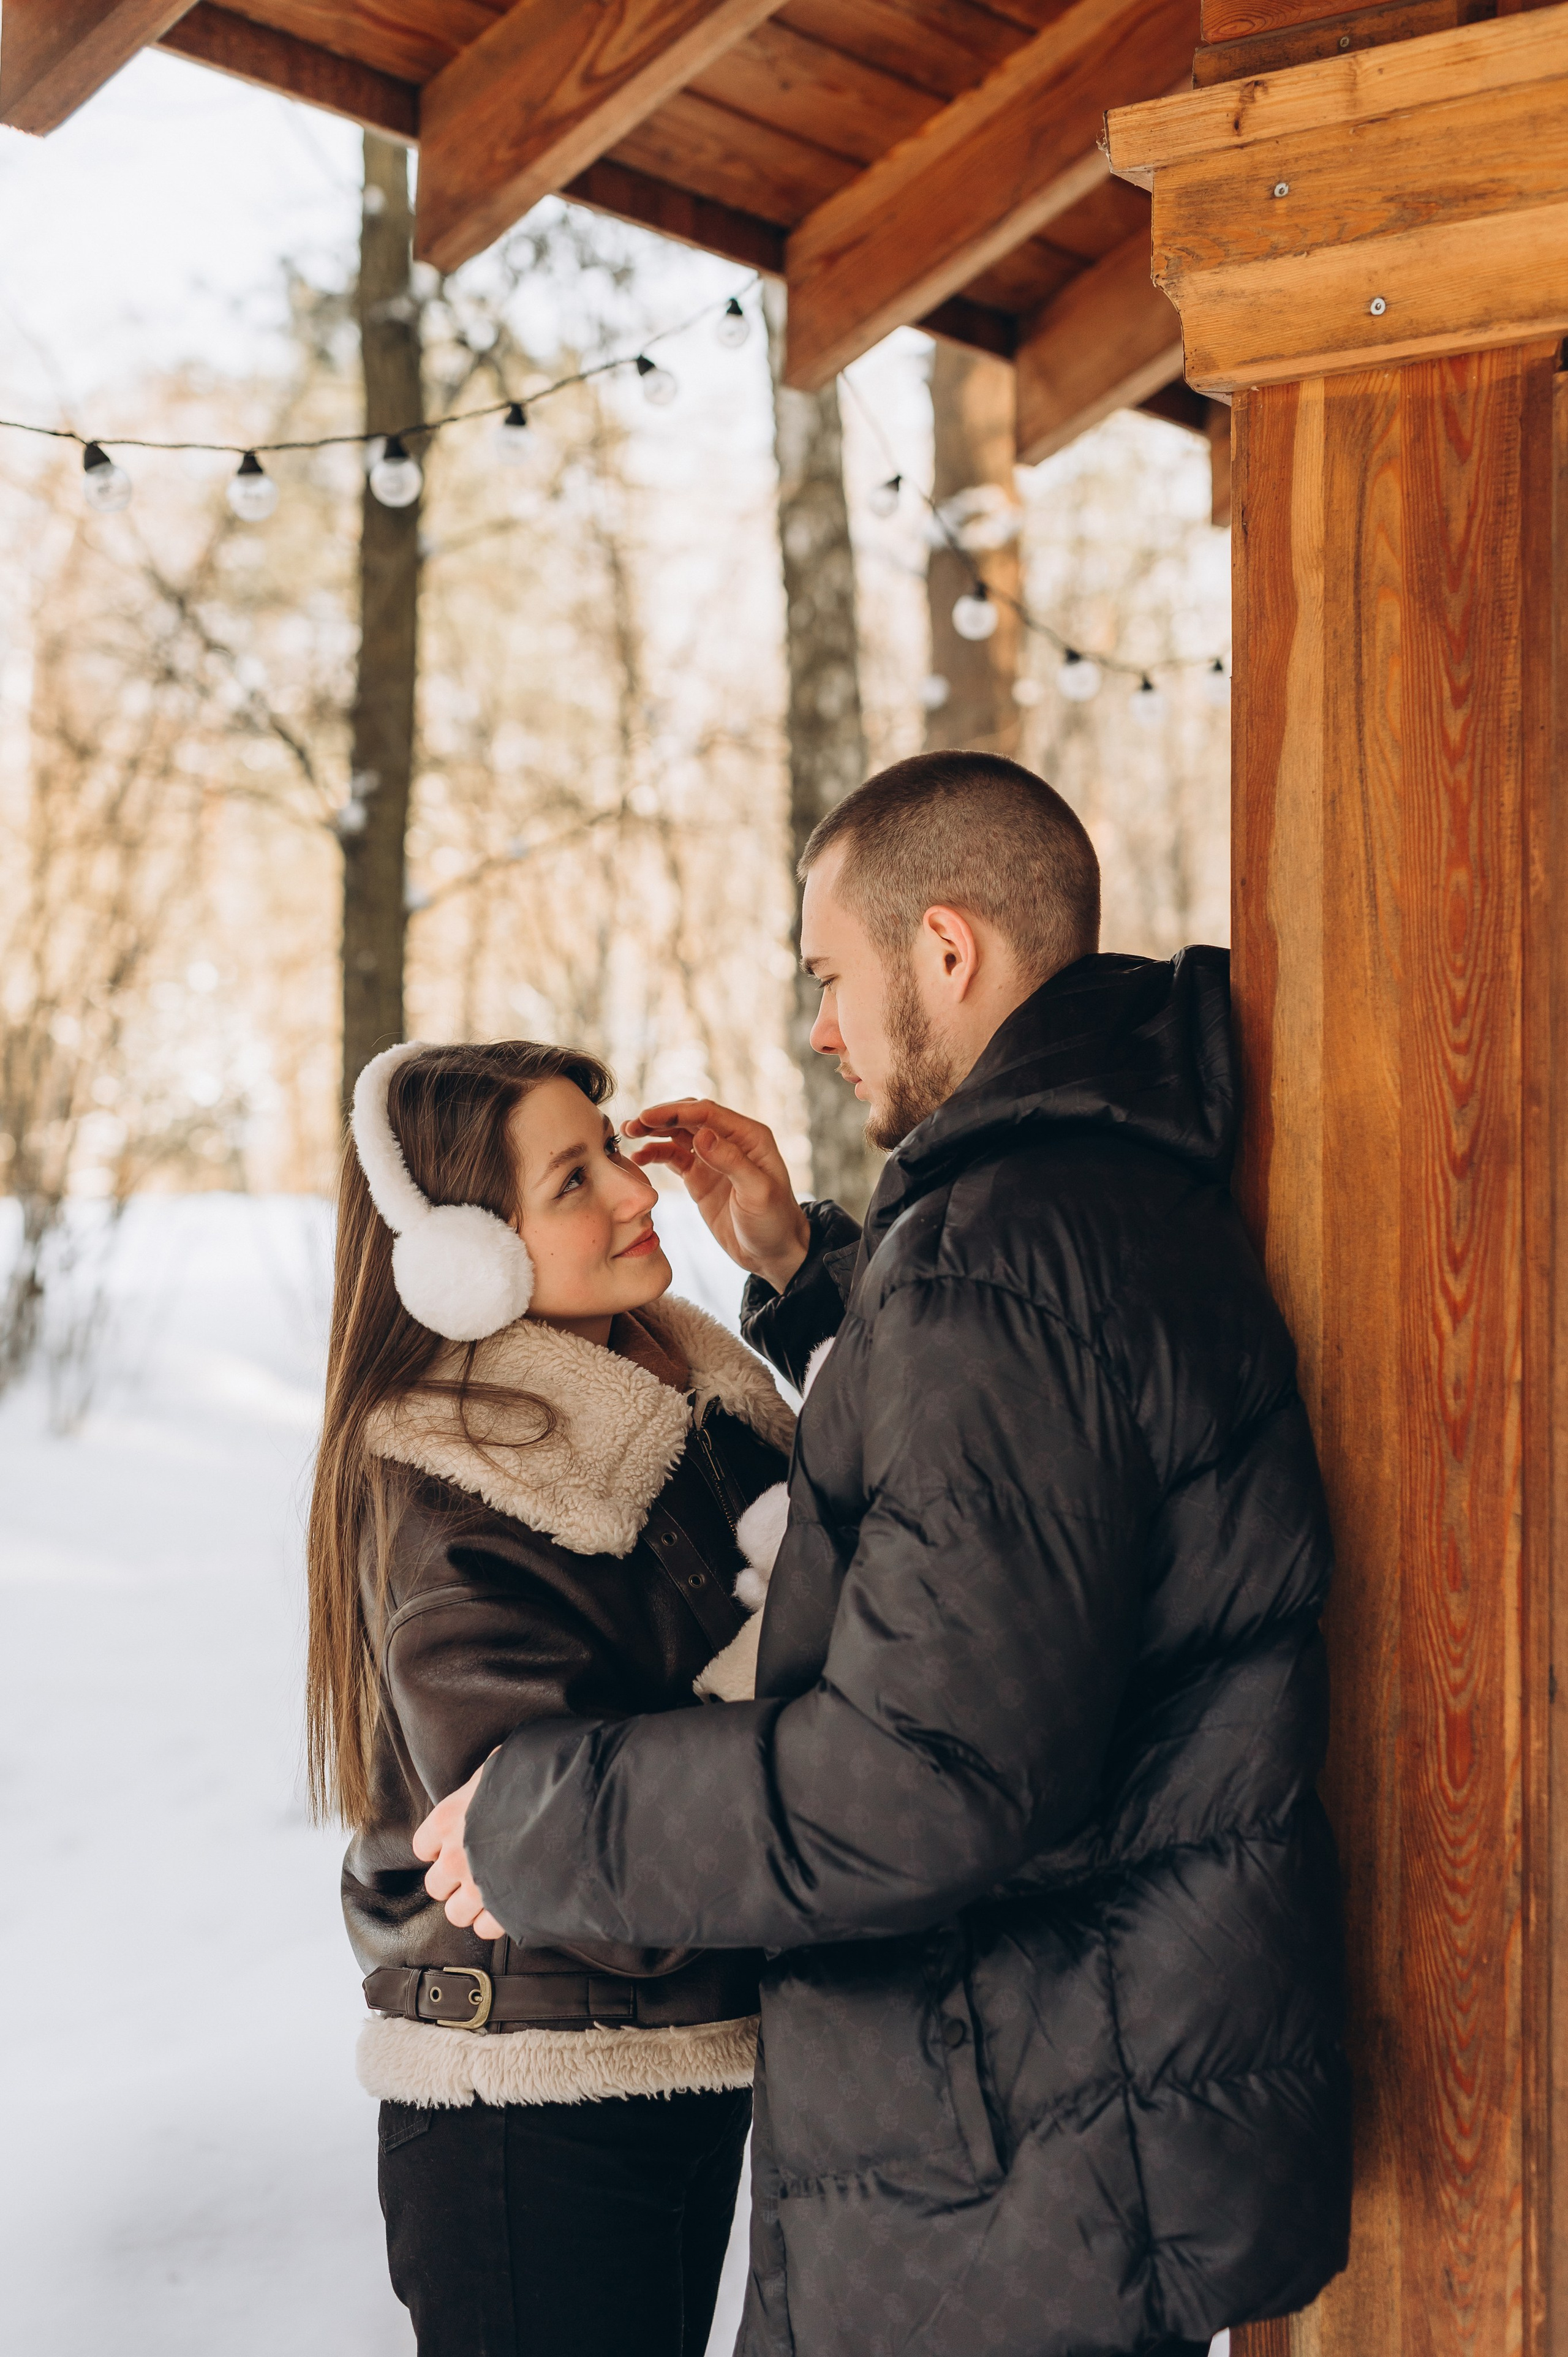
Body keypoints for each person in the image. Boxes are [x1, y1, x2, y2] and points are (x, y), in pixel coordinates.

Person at [415, 753, 1354, 2357]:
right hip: (1071, 2102)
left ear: (946, 950)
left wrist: (549, 1818)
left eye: (834, 978)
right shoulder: (1101, 1196)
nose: (826, 1030)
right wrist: (805, 1264)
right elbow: (1005, 1483)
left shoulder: (996, 1257)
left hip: (1010, 2152)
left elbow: (924, 1774)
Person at [306, 1038, 796, 2357]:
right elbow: (553, 1844)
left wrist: (800, 1267)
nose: (636, 1194)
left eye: (609, 1152)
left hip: (669, 2070)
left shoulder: (695, 1409)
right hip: (526, 2110)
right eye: (572, 1179)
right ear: (463, 1255)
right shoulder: (456, 1485)